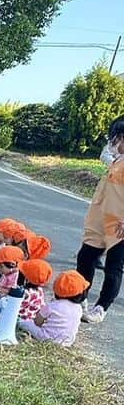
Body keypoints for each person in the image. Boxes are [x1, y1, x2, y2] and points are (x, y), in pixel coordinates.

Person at [75, 115, 124, 323]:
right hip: (99, 218)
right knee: (85, 257)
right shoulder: (118, 161)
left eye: (116, 139)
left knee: (114, 267)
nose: (113, 143)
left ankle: (101, 308)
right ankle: (80, 298)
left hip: (119, 223)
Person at [19, 269, 89, 347]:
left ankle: (18, 322)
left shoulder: (52, 306)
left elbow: (37, 322)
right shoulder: (79, 308)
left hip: (48, 339)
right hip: (68, 341)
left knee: (25, 323)